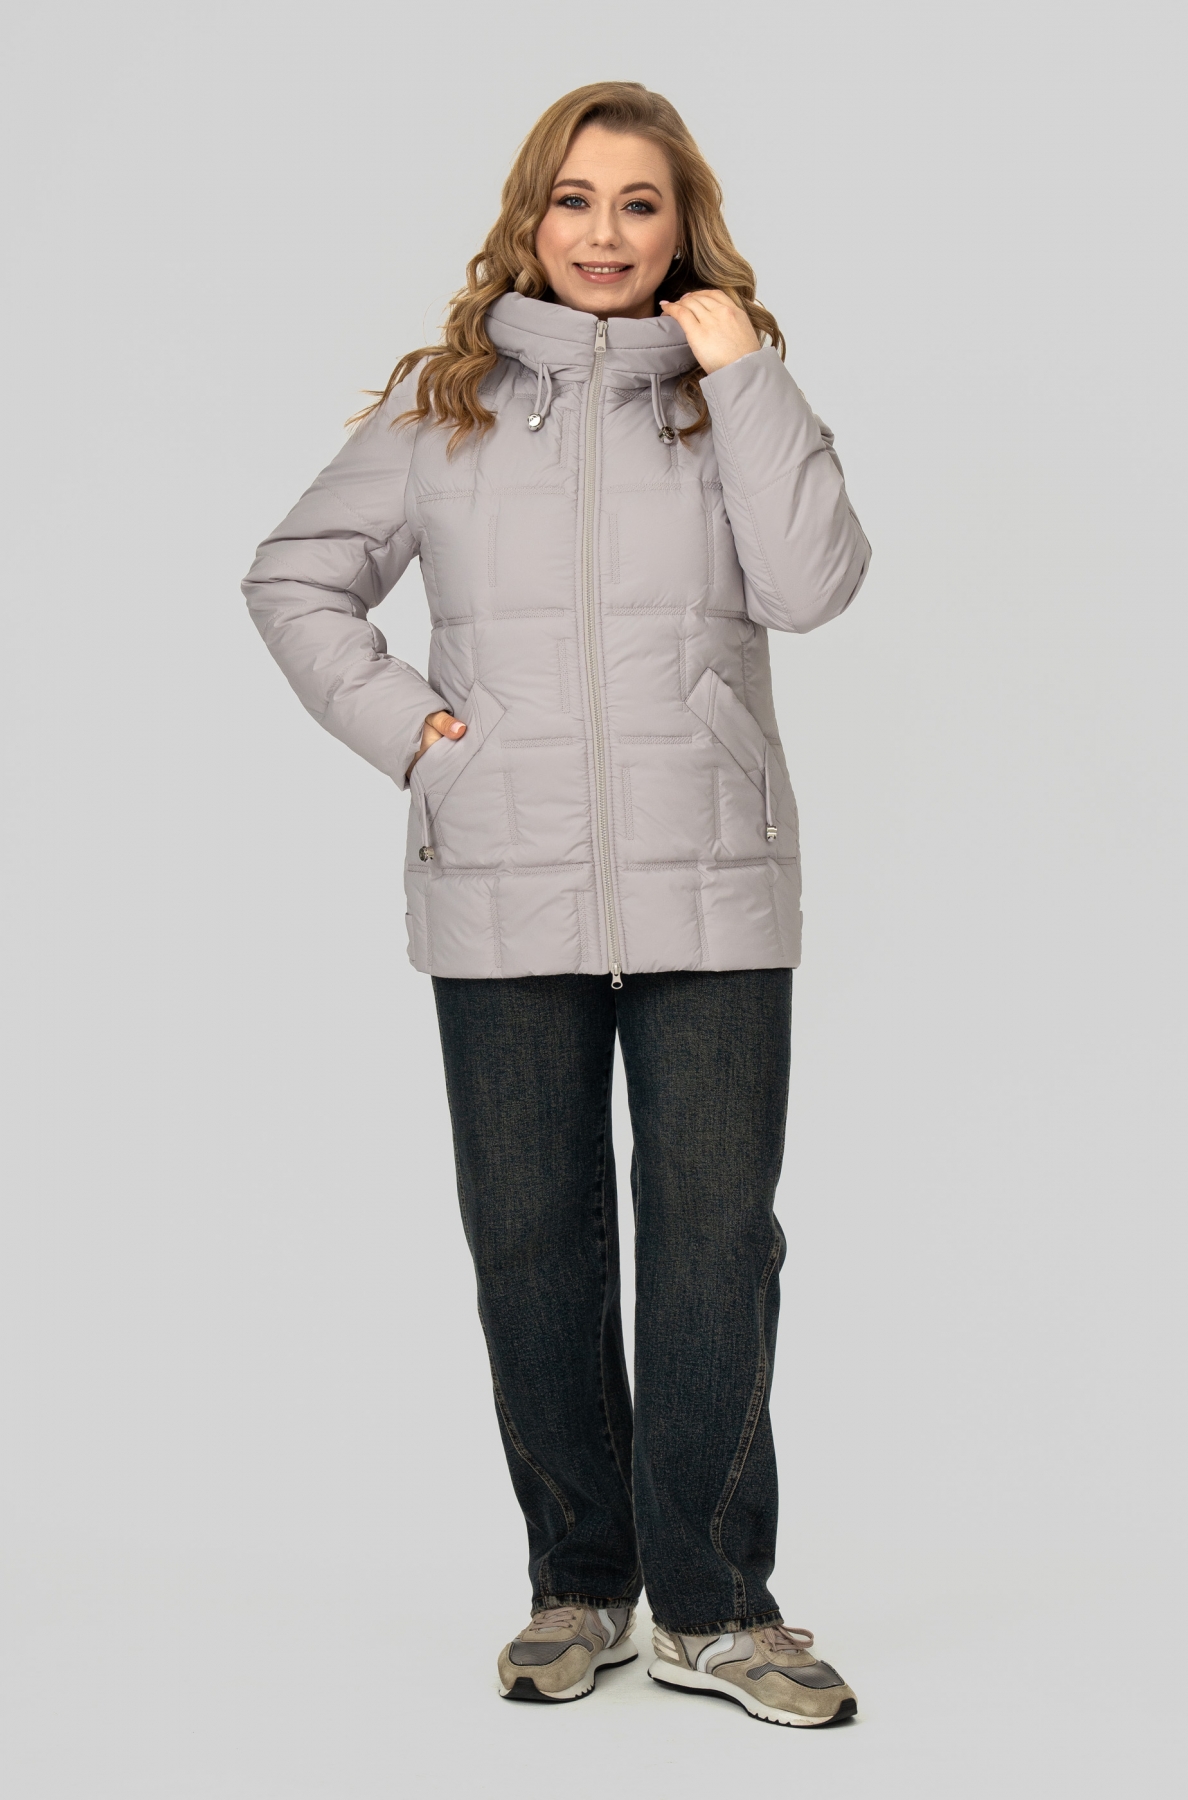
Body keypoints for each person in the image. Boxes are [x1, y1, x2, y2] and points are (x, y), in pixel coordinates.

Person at [243, 80, 870, 1729]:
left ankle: (716, 1609)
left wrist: (747, 375)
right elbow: (295, 576)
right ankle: (579, 1583)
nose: (605, 232)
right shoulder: (440, 407)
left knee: (717, 1243)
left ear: (683, 228)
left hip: (714, 879)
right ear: (532, 219)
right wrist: (415, 735)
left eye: (639, 203)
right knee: (530, 1241)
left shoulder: (731, 396)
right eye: (576, 200)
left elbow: (813, 585)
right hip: (500, 874)